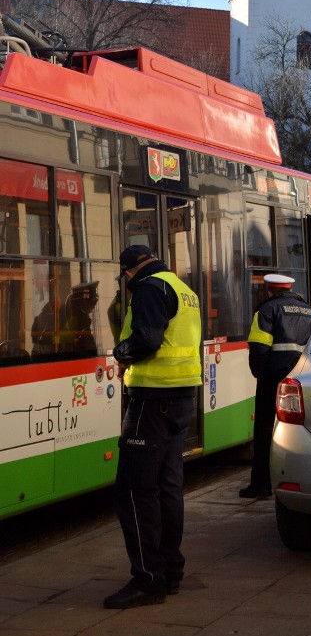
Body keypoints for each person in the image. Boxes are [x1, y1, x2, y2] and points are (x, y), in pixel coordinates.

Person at [103, 245, 202, 610]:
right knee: (167, 488)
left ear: (129, 272)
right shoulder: (182, 288)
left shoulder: (148, 288)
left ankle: (147, 580)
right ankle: (170, 572)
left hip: (152, 402)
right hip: (179, 401)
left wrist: (120, 353)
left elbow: (147, 338)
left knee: (133, 491)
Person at [238, 273, 311, 500]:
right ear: (290, 288)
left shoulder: (266, 311)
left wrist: (260, 376)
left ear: (269, 290)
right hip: (302, 380)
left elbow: (259, 348)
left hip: (273, 379)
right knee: (301, 431)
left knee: (263, 431)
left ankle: (261, 485)